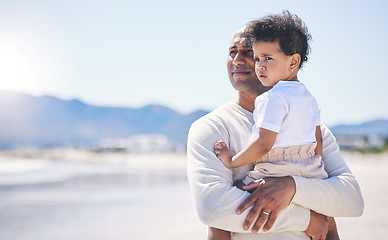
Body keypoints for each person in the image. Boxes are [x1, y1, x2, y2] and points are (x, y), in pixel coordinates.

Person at [186, 13, 364, 240]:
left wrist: (292, 187)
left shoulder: (309, 126)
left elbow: (352, 201)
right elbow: (213, 208)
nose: (238, 60)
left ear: (291, 62)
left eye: (251, 53)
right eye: (232, 52)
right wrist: (308, 219)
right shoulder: (212, 128)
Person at [211, 11, 336, 240]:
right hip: (311, 169)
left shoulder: (272, 98)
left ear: (293, 62)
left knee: (234, 197)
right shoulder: (309, 97)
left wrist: (232, 160)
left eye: (268, 58)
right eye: (257, 58)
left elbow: (264, 144)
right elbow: (317, 141)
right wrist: (314, 174)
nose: (260, 66)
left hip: (277, 168)